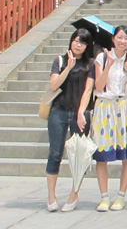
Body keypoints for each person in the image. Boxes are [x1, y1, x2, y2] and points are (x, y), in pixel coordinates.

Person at [46, 28, 95, 213]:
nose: (78, 44)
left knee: (79, 156)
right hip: (58, 111)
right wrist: (67, 67)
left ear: (87, 45)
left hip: (79, 113)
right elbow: (53, 84)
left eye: (82, 42)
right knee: (55, 154)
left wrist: (81, 111)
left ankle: (74, 193)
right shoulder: (60, 60)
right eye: (75, 40)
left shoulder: (90, 64)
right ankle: (51, 195)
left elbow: (88, 90)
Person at [91, 25, 127, 212]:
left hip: (124, 107)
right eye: (119, 37)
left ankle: (120, 196)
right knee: (102, 154)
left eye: (126, 38)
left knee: (126, 155)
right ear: (113, 39)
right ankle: (104, 197)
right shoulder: (102, 58)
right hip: (104, 107)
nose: (122, 41)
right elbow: (98, 85)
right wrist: (109, 66)